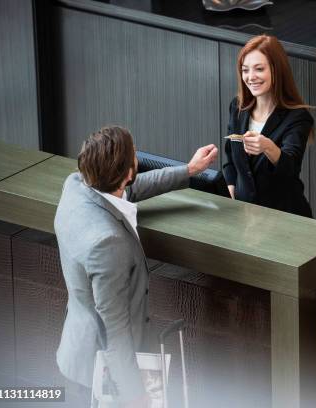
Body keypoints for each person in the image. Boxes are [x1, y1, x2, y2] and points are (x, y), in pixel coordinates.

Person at [54, 126, 217, 407]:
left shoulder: (76, 186)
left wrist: (189, 170)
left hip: (76, 351)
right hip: (104, 373)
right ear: (129, 171)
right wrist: (133, 395)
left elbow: (128, 191)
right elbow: (115, 329)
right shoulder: (108, 243)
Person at [223, 35, 314, 217]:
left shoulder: (298, 118)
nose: (250, 77)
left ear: (276, 70)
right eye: (245, 70)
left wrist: (268, 147)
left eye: (259, 69)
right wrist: (230, 185)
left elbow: (291, 169)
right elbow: (230, 158)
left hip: (285, 218)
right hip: (244, 217)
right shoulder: (237, 107)